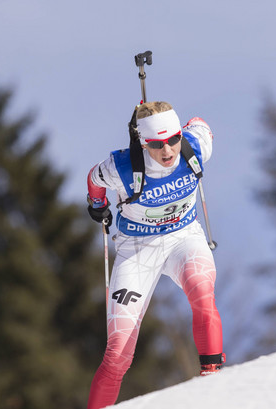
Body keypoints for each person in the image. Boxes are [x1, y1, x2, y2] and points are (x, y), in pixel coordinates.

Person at [85, 101, 224, 408]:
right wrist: (97, 207)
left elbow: (200, 122)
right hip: (137, 249)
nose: (168, 150)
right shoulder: (121, 167)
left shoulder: (195, 144)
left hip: (182, 237)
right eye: (156, 143)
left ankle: (213, 380)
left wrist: (155, 116)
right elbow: (94, 180)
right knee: (118, 353)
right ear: (143, 142)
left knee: (202, 291)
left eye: (173, 138)